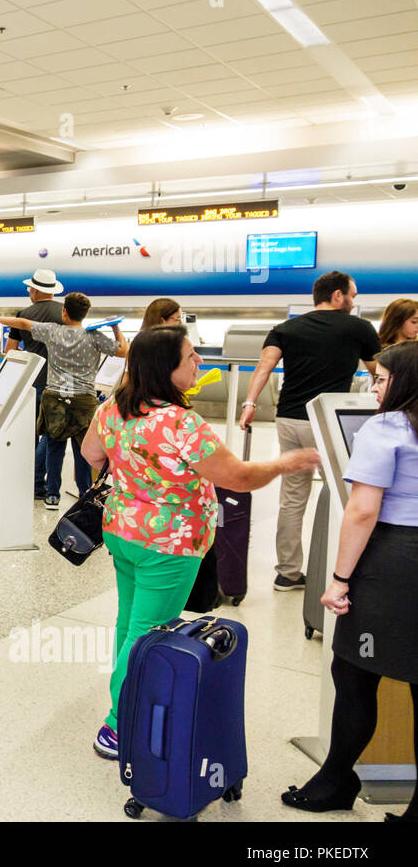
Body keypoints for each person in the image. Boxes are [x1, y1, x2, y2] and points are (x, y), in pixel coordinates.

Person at [81, 325, 320, 760]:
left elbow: (91, 455)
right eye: (191, 357)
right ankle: (118, 725)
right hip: (168, 544)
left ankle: (125, 706)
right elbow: (238, 477)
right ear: (167, 368)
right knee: (147, 634)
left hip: (123, 531)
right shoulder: (180, 422)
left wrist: (137, 472)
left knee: (128, 624)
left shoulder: (113, 408)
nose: (199, 363)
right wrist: (287, 462)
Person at [282, 340, 418, 819]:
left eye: (382, 379)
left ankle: (336, 780)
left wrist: (339, 580)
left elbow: (362, 510)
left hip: (396, 561)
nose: (374, 387)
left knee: (354, 671)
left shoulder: (386, 426)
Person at [240, 271, 381, 591]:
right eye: (351, 296)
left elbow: (264, 367)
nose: (353, 302)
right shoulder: (359, 328)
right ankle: (345, 570)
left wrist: (249, 404)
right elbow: (380, 374)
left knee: (292, 498)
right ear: (337, 296)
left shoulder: (286, 328)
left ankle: (287, 573)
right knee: (350, 494)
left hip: (289, 419)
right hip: (330, 420)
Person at [0, 293, 129, 509]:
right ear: (85, 314)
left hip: (55, 398)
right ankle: (85, 493)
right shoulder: (94, 336)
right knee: (84, 449)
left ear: (65, 311)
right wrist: (116, 328)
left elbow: (23, 323)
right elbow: (123, 351)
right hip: (84, 400)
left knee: (54, 447)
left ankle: (52, 495)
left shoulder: (52, 331)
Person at [5, 270, 66, 500]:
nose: (29, 292)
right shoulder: (64, 312)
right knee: (51, 435)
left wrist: (29, 354)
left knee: (30, 434)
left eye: (30, 288)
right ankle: (43, 486)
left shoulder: (23, 314)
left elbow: (9, 351)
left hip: (32, 383)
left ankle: (30, 481)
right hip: (60, 383)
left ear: (37, 290)